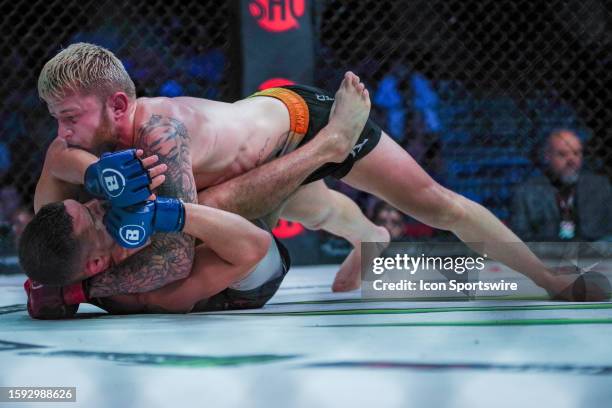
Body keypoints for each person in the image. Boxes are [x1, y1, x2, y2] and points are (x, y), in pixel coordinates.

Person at [32, 43, 599, 300]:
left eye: (70, 117)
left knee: (433, 202)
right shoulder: (105, 149)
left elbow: (177, 254)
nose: (63, 132)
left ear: (118, 107)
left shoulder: (162, 132)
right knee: (317, 205)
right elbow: (57, 166)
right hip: (261, 143)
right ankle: (372, 238)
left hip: (307, 121)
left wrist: (82, 286)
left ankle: (549, 280)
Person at [22, 196, 288, 318]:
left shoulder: (87, 244)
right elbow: (255, 246)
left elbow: (58, 155)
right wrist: (160, 211)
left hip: (238, 221)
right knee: (210, 202)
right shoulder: (152, 288)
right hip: (253, 273)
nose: (97, 203)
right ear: (96, 263)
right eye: (93, 216)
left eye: (85, 203)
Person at [511, 129, 612, 241]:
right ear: (547, 156)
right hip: (546, 255)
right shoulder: (527, 192)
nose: (571, 160)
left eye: (576, 153)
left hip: (594, 255)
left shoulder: (600, 186)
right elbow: (520, 237)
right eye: (563, 154)